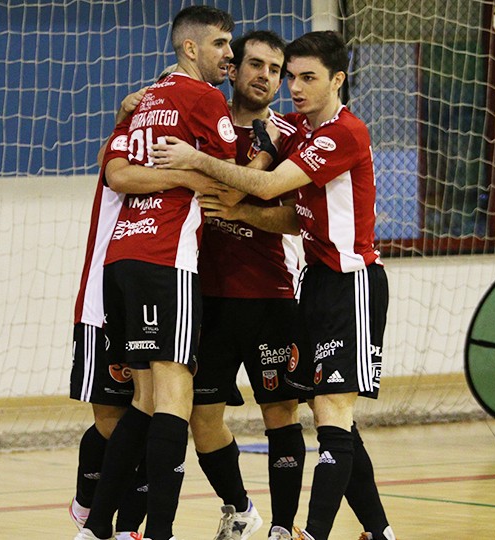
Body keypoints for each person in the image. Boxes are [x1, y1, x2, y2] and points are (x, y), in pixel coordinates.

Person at [151, 30, 396, 540]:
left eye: (293, 73)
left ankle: (295, 529)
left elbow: (268, 188)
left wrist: (199, 166)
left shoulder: (312, 132)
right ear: (232, 69)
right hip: (251, 291)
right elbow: (299, 217)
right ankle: (260, 512)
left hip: (312, 289)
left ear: (337, 80)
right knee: (318, 415)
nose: (280, 82)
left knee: (321, 411)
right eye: (271, 70)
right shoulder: (230, 123)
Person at [75, 6, 237, 540]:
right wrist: (187, 173)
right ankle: (159, 534)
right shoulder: (205, 99)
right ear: (189, 49)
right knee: (175, 399)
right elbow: (226, 182)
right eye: (219, 45)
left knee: (142, 402)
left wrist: (168, 173)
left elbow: (118, 172)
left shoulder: (142, 103)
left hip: (122, 258)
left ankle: (98, 528)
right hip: (167, 258)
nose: (228, 55)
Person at [187, 30, 306, 540]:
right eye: (255, 64)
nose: (265, 75)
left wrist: (243, 210)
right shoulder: (202, 123)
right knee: (199, 417)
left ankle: (282, 527)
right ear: (232, 69)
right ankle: (239, 509)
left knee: (280, 412)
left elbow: (300, 219)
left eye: (276, 70)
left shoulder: (286, 136)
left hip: (268, 296)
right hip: (205, 298)